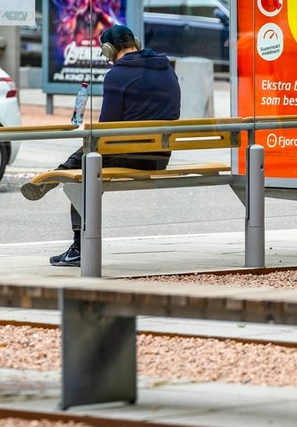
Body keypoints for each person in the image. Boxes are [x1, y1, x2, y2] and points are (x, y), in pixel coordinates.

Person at [24, 23, 180, 267]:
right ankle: (53, 177)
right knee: (87, 157)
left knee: (80, 173)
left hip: (129, 155)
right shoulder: (166, 69)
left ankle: (76, 239)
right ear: (135, 43)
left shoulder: (116, 75)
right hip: (160, 156)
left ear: (109, 50)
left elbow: (106, 129)